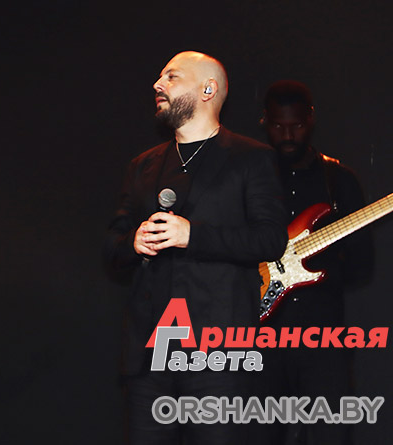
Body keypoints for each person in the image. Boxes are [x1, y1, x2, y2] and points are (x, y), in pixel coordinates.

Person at [104, 51, 287, 444]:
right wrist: (133, 242)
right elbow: (112, 247)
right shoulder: (143, 165)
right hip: (149, 359)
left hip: (218, 359)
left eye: (172, 76)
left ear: (208, 89)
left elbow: (271, 239)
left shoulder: (251, 159)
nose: (158, 84)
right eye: (160, 77)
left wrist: (194, 235)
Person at [258, 80, 372, 445]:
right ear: (265, 122)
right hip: (260, 339)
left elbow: (362, 263)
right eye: (279, 126)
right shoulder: (250, 177)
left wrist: (317, 274)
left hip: (323, 338)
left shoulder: (339, 181)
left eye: (296, 125)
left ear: (311, 119)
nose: (288, 135)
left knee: (331, 433)